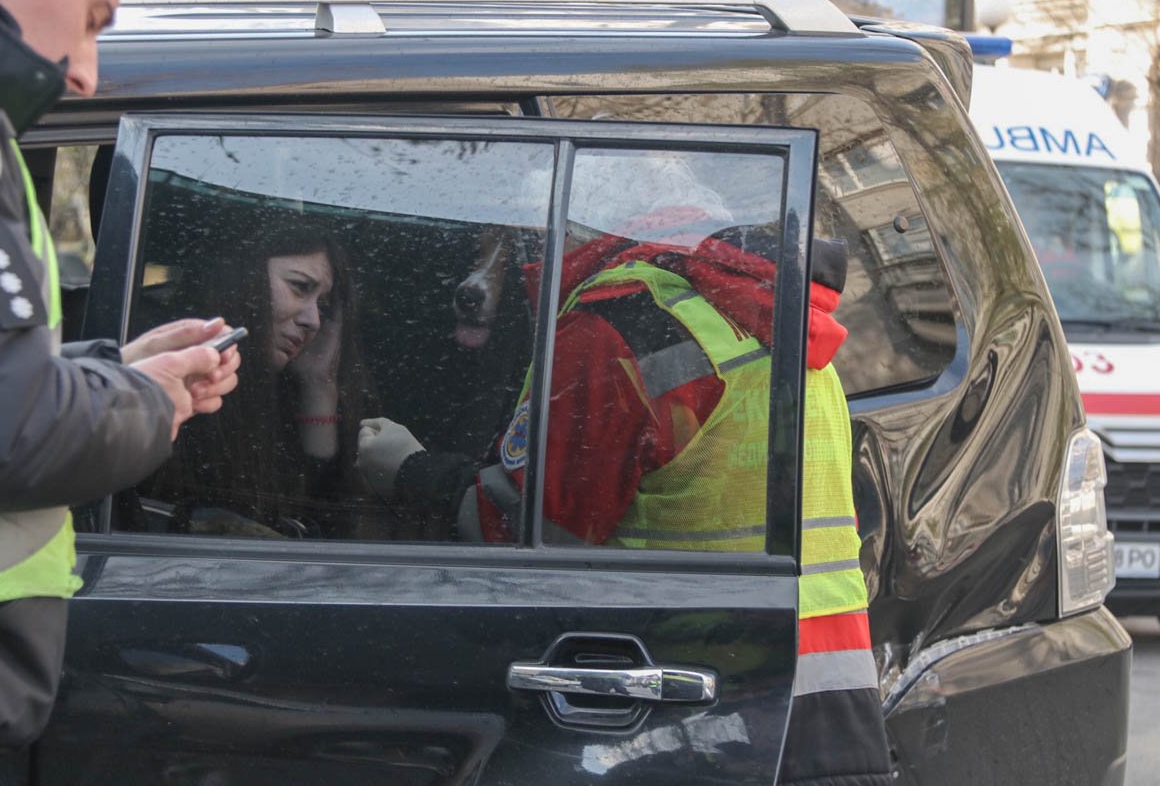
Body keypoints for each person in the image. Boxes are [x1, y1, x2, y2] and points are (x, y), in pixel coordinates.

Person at [355, 211, 894, 785]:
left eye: (523, 227)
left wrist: (408, 470)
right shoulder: (785, 321)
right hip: (829, 710)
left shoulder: (618, 324)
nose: (524, 243)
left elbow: (519, 533)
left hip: (678, 715)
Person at [0, 0, 242, 765]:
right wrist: (145, 399)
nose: (85, 73)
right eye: (92, 19)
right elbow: (4, 434)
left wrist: (118, 372)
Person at [144, 222, 379, 538]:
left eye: (322, 305)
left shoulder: (282, 392)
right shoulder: (165, 383)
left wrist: (319, 385)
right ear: (240, 277)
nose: (314, 321)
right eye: (299, 287)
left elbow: (326, 520)